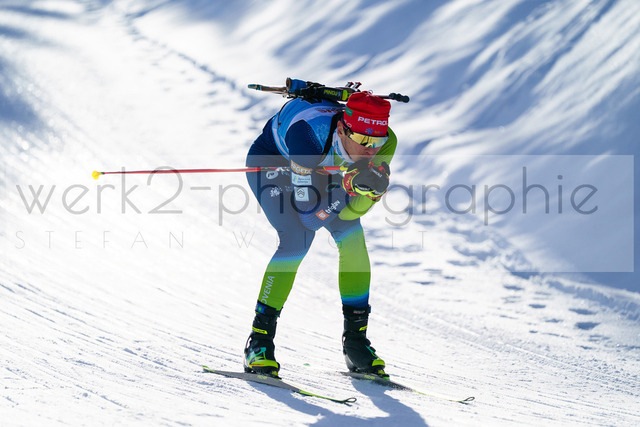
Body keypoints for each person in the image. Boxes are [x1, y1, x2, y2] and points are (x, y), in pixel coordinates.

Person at [244, 88, 397, 378]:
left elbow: (351, 214)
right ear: (342, 129)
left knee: (352, 237)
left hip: (324, 171)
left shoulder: (387, 142)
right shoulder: (307, 136)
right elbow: (310, 218)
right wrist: (347, 188)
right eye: (363, 140)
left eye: (377, 141)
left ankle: (355, 342)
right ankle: (259, 340)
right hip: (275, 161)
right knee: (297, 240)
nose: (371, 150)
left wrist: (370, 193)